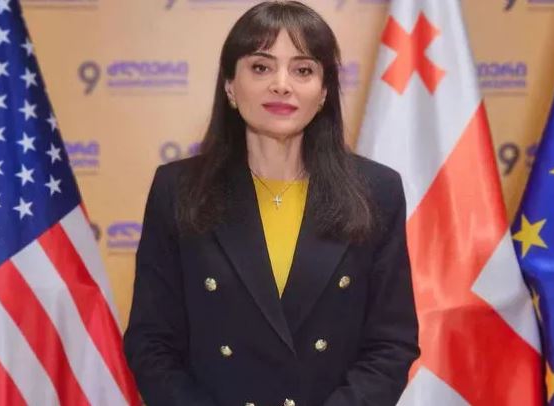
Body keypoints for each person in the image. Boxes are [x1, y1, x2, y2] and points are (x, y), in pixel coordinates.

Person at [123, 2, 419, 405]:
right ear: (230, 85)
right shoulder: (178, 189)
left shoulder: (376, 190)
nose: (282, 85)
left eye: (303, 70)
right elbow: (151, 342)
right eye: (261, 67)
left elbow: (391, 344)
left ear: (324, 90)